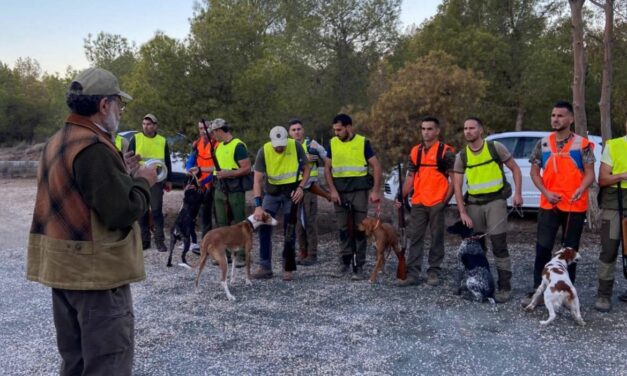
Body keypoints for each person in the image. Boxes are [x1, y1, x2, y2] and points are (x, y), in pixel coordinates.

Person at [26, 67, 157, 375]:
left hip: (63, 271)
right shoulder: (94, 147)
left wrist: (119, 171)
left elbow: (80, 192)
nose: (120, 111)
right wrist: (142, 181)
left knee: (75, 362)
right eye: (119, 104)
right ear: (103, 105)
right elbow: (121, 211)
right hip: (94, 276)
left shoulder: (57, 141)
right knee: (107, 363)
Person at [521, 101, 595, 307]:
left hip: (574, 205)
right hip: (549, 204)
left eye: (560, 116)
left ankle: (566, 292)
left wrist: (581, 188)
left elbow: (590, 173)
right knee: (543, 249)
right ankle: (538, 289)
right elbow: (535, 172)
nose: (555, 119)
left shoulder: (582, 144)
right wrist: (545, 191)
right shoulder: (543, 143)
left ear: (571, 119)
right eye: (553, 115)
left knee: (569, 251)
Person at [453, 116, 523, 303]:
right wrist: (462, 212)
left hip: (496, 202)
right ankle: (482, 283)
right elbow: (457, 187)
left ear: (481, 130)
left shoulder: (495, 148)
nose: (468, 131)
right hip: (474, 204)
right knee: (477, 247)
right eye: (465, 128)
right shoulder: (462, 156)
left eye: (472, 128)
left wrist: (518, 194)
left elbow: (515, 169)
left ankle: (505, 287)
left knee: (499, 245)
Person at [396, 116, 455, 287]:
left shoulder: (446, 151)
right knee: (415, 237)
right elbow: (410, 177)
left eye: (430, 129)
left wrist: (445, 201)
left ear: (437, 131)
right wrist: (401, 195)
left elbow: (455, 179)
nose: (426, 132)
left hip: (437, 201)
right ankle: (413, 273)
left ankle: (434, 271)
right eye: (423, 129)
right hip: (419, 202)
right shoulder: (416, 151)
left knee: (437, 237)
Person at [324, 113, 382, 280]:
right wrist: (333, 191)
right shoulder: (332, 143)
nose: (336, 133)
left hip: (359, 191)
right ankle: (345, 261)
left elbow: (376, 166)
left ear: (349, 127)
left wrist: (375, 191)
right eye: (335, 130)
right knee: (343, 228)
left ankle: (360, 265)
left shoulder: (363, 142)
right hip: (340, 192)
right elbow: (327, 168)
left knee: (360, 228)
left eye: (339, 129)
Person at [252, 126, 310, 281]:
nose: (280, 147)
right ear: (271, 141)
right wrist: (258, 205)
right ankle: (265, 266)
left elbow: (306, 168)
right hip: (271, 194)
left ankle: (288, 267)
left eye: (282, 144)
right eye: (277, 144)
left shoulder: (295, 146)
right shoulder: (263, 151)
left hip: (291, 194)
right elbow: (257, 180)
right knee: (263, 226)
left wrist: (301, 187)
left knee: (289, 229)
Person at [210, 118, 252, 266]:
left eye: (214, 132)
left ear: (219, 130)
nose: (213, 135)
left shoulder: (238, 145)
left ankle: (242, 255)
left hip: (235, 189)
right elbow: (217, 168)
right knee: (222, 222)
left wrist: (228, 174)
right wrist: (200, 169)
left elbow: (247, 168)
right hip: (220, 188)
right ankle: (224, 254)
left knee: (240, 222)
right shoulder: (218, 146)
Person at [595, 123, 627, 311]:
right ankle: (604, 294)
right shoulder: (614, 145)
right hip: (614, 203)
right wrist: (623, 175)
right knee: (609, 249)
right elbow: (603, 179)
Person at [129, 113, 173, 252]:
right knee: (142, 210)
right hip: (139, 179)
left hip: (157, 180)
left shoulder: (162, 140)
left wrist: (169, 180)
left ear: (155, 126)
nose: (146, 126)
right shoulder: (136, 138)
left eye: (149, 124)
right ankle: (145, 240)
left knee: (156, 211)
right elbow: (129, 159)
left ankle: (160, 241)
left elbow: (167, 161)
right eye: (144, 124)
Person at [288, 118, 328, 266]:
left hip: (310, 188)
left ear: (303, 130)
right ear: (289, 132)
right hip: (293, 189)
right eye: (293, 130)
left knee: (310, 221)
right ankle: (302, 252)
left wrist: (316, 158)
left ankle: (312, 254)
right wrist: (305, 159)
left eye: (299, 129)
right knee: (297, 222)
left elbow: (327, 159)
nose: (296, 132)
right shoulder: (287, 147)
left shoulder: (312, 144)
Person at [185, 118, 218, 250]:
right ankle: (201, 244)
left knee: (214, 216)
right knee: (199, 215)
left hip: (212, 183)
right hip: (200, 183)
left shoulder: (217, 144)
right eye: (200, 129)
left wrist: (204, 181)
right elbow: (191, 160)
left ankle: (214, 244)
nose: (203, 131)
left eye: (205, 128)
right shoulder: (197, 143)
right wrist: (189, 170)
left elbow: (217, 168)